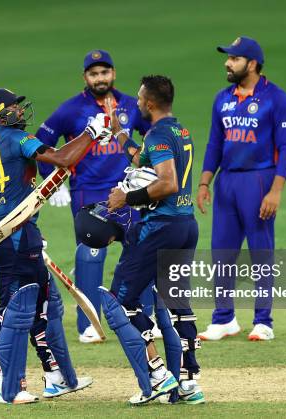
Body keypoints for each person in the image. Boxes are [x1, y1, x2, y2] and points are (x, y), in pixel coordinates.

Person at [0, 88, 110, 404]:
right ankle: (6, 385)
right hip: (16, 235)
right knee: (15, 310)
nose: (21, 111)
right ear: (0, 115)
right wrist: (90, 134)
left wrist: (21, 223)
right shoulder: (17, 139)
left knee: (43, 304)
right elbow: (62, 159)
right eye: (14, 107)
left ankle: (55, 376)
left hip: (3, 231)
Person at [94, 76, 204, 405]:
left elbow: (167, 182)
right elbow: (140, 159)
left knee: (121, 301)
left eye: (141, 100)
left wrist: (126, 199)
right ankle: (189, 381)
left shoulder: (158, 136)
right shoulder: (180, 131)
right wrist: (119, 133)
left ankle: (158, 375)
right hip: (185, 225)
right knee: (178, 303)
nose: (137, 104)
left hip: (160, 228)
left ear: (151, 104)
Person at [36, 50, 158, 343]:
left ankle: (146, 316)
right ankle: (89, 324)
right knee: (91, 255)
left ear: (113, 73)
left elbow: (154, 135)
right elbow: (41, 145)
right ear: (85, 77)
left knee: (140, 250)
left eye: (104, 72)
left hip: (128, 191)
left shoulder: (131, 104)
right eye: (94, 74)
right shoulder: (70, 110)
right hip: (87, 191)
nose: (100, 78)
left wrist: (149, 171)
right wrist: (53, 182)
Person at [196, 36, 286, 341]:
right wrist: (204, 182)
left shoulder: (276, 99)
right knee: (222, 253)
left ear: (252, 64)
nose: (227, 63)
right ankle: (224, 319)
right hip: (228, 182)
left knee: (260, 253)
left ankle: (263, 321)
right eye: (228, 58)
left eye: (234, 58)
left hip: (259, 181)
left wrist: (275, 191)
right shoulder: (221, 99)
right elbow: (215, 142)